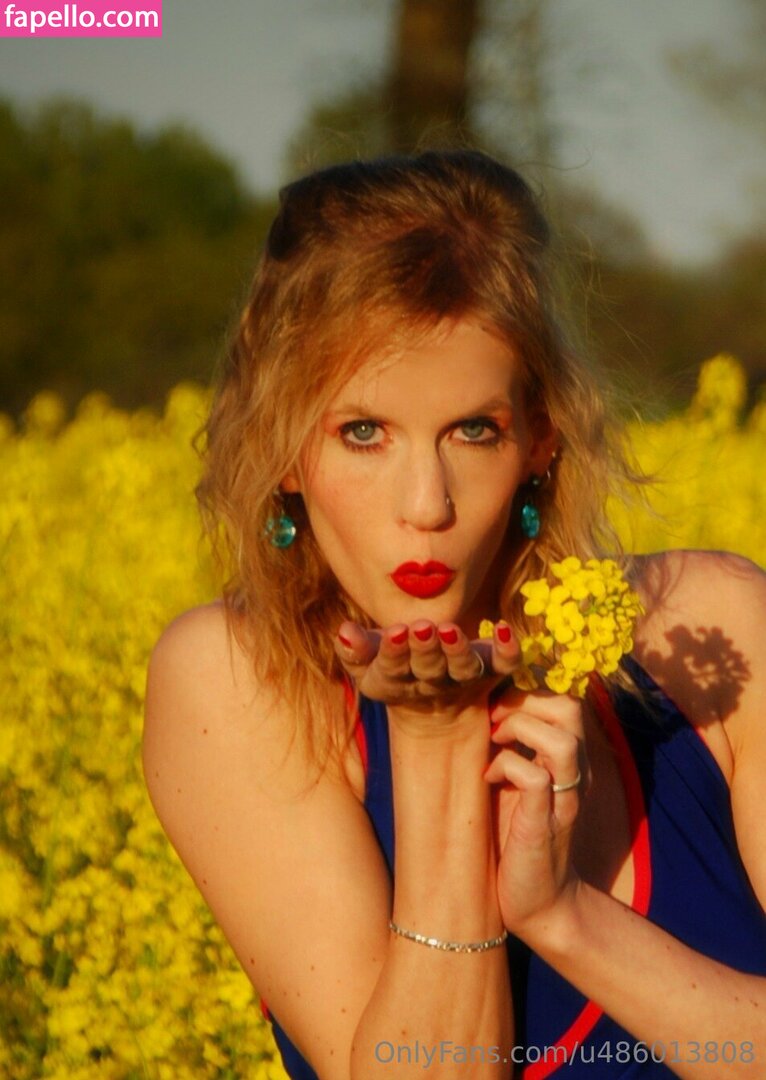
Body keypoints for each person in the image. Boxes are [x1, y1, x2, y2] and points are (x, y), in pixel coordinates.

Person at [143, 150, 766, 1079]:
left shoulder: (710, 633)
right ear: (283, 448)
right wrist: (434, 741)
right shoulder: (238, 684)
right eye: (363, 433)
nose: (426, 505)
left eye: (473, 430)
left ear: (541, 439)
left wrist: (566, 917)